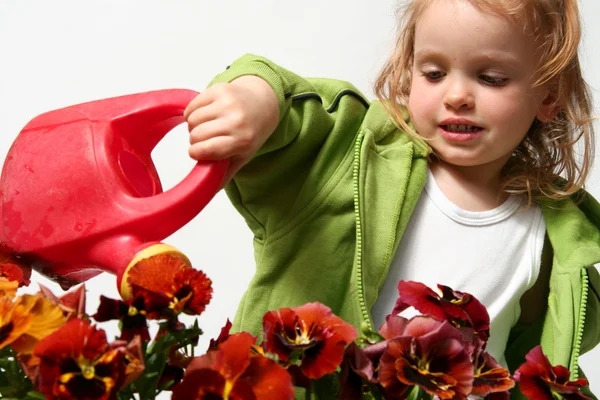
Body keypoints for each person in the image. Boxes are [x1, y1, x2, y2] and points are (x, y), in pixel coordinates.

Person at [184, 0, 600, 397]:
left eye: (491, 78)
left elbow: (531, 367)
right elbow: (290, 103)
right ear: (409, 70)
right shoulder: (348, 160)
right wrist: (256, 100)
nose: (456, 95)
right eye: (434, 73)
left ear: (548, 95)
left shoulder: (549, 237)